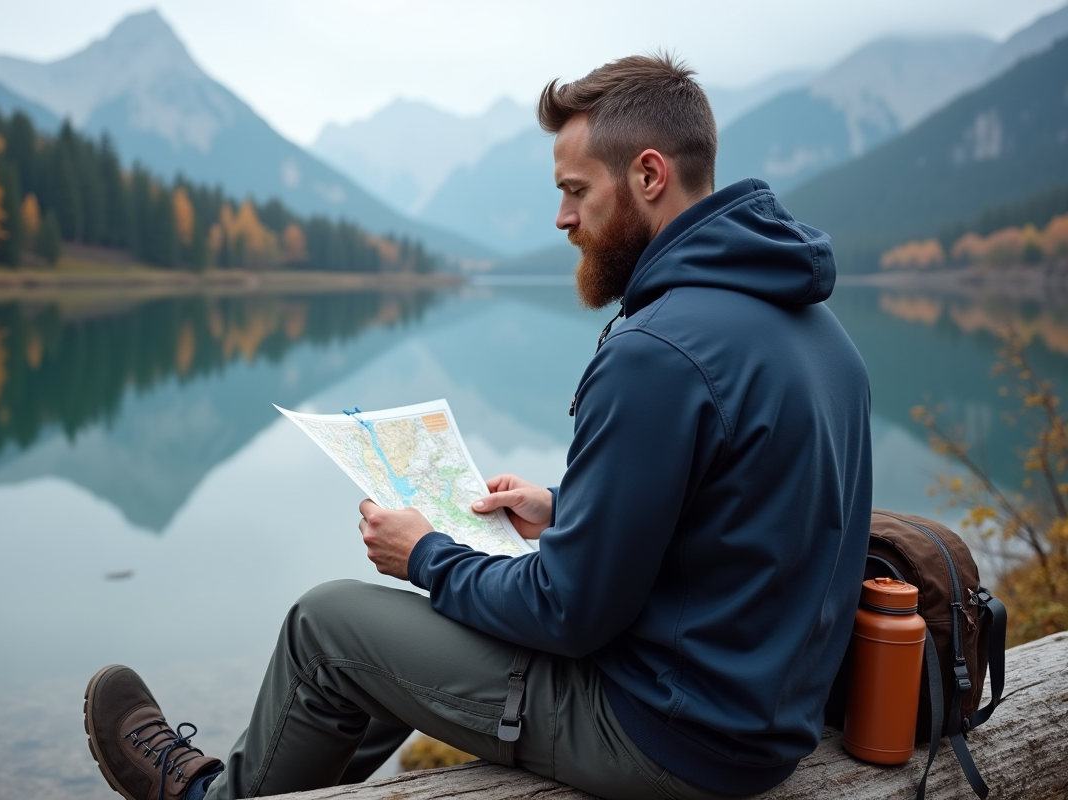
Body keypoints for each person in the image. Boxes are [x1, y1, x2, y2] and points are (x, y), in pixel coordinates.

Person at [83, 53, 872, 800]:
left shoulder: (658, 353)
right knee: (401, 639)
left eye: (575, 190)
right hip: (762, 725)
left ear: (648, 175)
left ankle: (204, 794)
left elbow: (569, 614)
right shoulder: (818, 331)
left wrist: (426, 553)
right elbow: (747, 516)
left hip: (663, 734)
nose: (562, 218)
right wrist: (564, 511)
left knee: (326, 626)